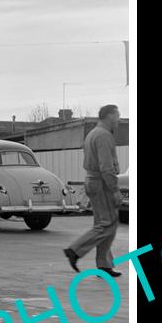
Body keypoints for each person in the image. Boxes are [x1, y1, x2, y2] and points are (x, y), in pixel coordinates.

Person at [64, 104, 122, 276]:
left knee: (104, 223)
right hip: (101, 182)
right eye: (117, 115)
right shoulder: (104, 136)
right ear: (110, 116)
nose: (119, 119)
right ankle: (75, 250)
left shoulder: (93, 133)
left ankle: (104, 265)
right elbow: (106, 167)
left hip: (93, 180)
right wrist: (115, 190)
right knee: (108, 223)